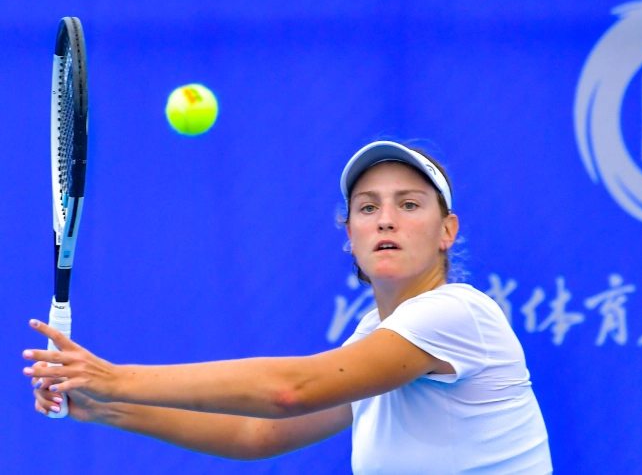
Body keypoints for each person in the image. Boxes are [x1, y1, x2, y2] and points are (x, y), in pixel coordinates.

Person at [24, 141, 553, 474]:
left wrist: (115, 378)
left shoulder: (458, 313)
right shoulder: (374, 334)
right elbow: (260, 434)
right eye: (368, 207)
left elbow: (287, 392)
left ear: (447, 232)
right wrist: (103, 407)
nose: (386, 220)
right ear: (351, 235)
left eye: (409, 204)